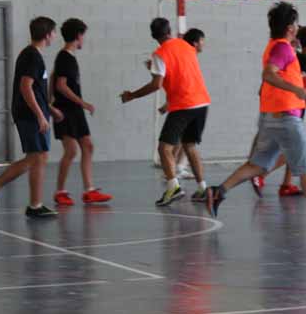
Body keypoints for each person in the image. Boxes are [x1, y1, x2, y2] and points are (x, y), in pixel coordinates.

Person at [205, 2, 306, 226]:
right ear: (290, 27)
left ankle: (218, 191)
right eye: (296, 23)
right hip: (286, 117)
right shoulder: (282, 48)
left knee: (258, 165)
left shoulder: (276, 45)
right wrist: (296, 90)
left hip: (271, 116)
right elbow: (269, 74)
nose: (298, 27)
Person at [0, 17, 65, 218]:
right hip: (29, 115)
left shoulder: (32, 54)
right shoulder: (32, 56)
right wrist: (40, 115)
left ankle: (34, 204)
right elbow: (25, 87)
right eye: (54, 32)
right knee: (35, 157)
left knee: (39, 157)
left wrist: (49, 110)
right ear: (47, 35)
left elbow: (36, 90)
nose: (55, 36)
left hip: (35, 113)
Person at [122, 18, 211, 207]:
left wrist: (132, 95)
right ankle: (203, 188)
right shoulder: (186, 45)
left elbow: (156, 85)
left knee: (164, 148)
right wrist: (156, 68)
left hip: (184, 105)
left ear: (153, 35)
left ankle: (173, 187)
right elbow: (181, 72)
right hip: (202, 102)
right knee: (189, 145)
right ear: (169, 30)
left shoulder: (160, 54)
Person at [51, 18, 112, 206]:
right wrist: (82, 103)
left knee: (87, 146)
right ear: (78, 35)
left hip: (74, 111)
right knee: (71, 151)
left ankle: (89, 190)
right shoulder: (64, 57)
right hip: (66, 110)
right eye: (83, 36)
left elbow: (53, 77)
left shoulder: (68, 57)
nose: (84, 39)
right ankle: (60, 191)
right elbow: (60, 85)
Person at [273, 25, 306, 197]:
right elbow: (301, 86)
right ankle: (260, 174)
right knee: (294, 147)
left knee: (292, 146)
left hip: (286, 105)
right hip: (293, 107)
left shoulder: (295, 57)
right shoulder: (305, 61)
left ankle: (287, 184)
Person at [159, 28, 206, 181]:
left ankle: (178, 169)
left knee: (184, 141)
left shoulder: (188, 56)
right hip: (186, 105)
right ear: (195, 43)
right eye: (202, 41)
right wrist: (168, 103)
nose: (204, 44)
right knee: (176, 142)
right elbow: (178, 82)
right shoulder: (183, 55)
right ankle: (174, 171)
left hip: (191, 103)